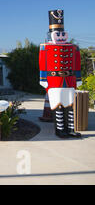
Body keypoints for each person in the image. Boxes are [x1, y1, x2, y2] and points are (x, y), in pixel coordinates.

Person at [39, 9, 82, 138]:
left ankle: (70, 129)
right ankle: (59, 129)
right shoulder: (45, 47)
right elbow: (43, 63)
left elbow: (77, 63)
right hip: (54, 80)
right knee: (57, 105)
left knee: (70, 105)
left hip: (69, 80)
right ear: (51, 34)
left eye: (63, 33)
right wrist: (42, 78)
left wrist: (78, 78)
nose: (61, 36)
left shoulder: (73, 47)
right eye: (58, 33)